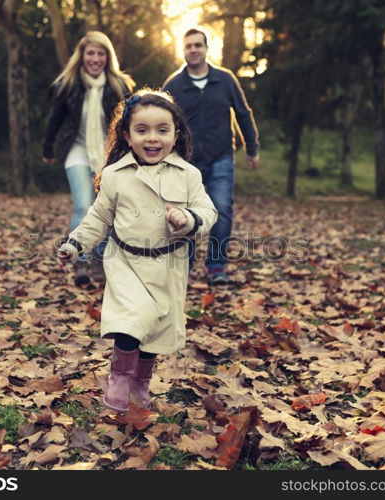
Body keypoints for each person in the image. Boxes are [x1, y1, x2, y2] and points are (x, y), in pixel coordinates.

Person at [57, 90, 217, 412]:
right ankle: (120, 375)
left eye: (162, 130)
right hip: (126, 261)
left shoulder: (188, 175)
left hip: (168, 264)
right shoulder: (116, 175)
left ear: (176, 135)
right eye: (142, 130)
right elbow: (99, 216)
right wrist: (76, 244)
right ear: (127, 136)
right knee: (133, 319)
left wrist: (188, 218)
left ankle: (141, 381)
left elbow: (208, 211)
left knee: (156, 329)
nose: (152, 138)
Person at [163, 28, 260, 285]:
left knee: (222, 210)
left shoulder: (225, 80)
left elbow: (243, 114)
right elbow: (161, 122)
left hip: (221, 157)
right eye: (188, 46)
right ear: (183, 51)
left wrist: (252, 147)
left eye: (198, 45)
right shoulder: (173, 85)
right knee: (185, 215)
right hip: (186, 161)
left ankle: (217, 267)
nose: (193, 50)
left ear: (207, 49)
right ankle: (186, 263)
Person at [42, 31, 134, 286]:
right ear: (81, 56)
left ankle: (99, 259)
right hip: (77, 149)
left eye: (100, 53)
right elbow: (55, 119)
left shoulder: (120, 85)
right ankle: (80, 261)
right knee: (83, 205)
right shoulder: (68, 84)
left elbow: (129, 121)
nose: (95, 58)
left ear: (108, 57)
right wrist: (47, 148)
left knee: (106, 207)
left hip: (110, 152)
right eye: (90, 53)